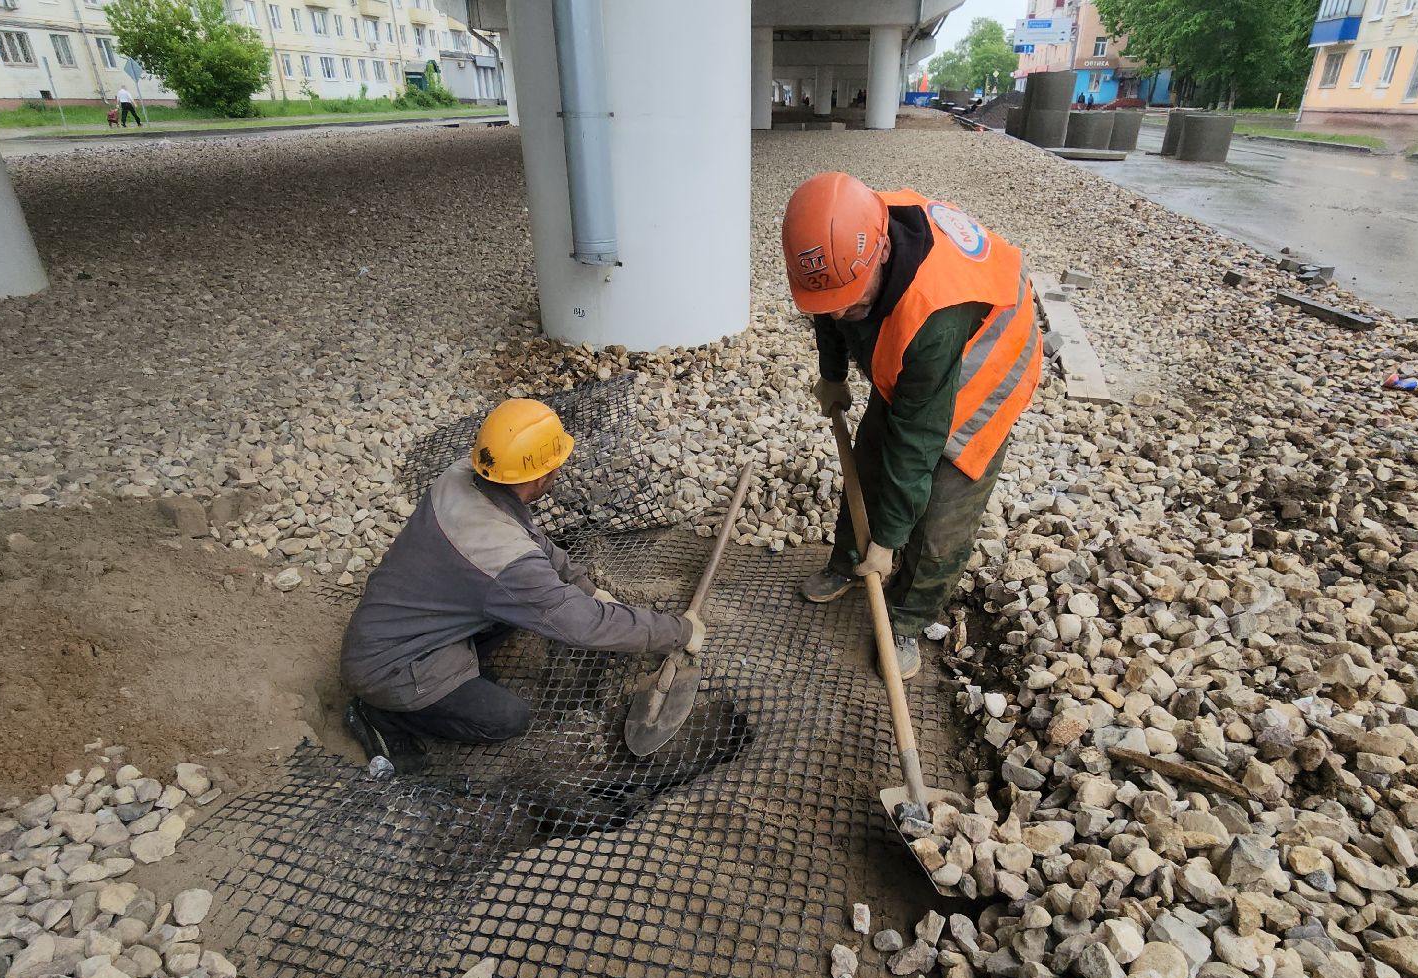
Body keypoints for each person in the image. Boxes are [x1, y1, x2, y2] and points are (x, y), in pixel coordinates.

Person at [780, 172, 1041, 680]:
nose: (838, 313)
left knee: (941, 516)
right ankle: (851, 560)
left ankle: (905, 618)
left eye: (851, 304)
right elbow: (829, 308)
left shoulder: (932, 313)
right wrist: (831, 376)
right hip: (920, 354)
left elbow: (919, 439)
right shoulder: (842, 241)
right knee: (873, 456)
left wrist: (891, 539)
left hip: (981, 372)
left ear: (879, 254)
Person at [339, 399, 703, 754]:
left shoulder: (459, 477)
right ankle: (380, 715)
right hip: (389, 669)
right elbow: (584, 626)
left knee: (518, 610)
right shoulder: (506, 565)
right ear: (544, 473)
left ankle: (450, 676)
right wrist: (678, 631)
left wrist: (588, 588)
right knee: (505, 718)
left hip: (397, 624)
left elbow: (530, 541)